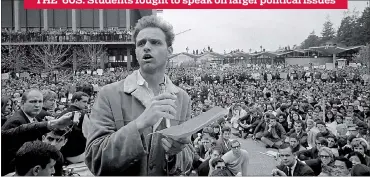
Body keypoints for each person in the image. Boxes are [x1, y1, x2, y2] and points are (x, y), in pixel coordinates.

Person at [83, 15, 193, 176]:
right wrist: (139, 124)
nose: (146, 47)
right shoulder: (108, 94)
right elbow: (95, 158)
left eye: (155, 42)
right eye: (141, 43)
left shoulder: (182, 98)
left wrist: (176, 154)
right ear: (135, 51)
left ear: (169, 51)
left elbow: (189, 158)